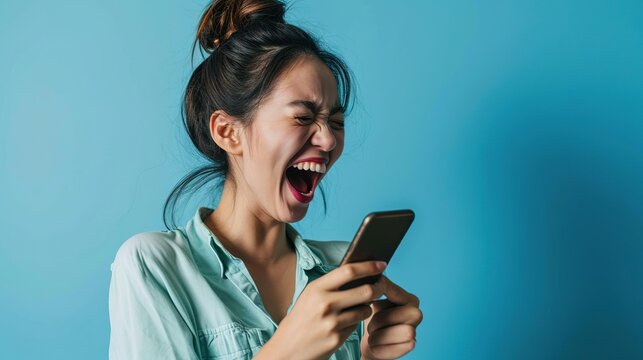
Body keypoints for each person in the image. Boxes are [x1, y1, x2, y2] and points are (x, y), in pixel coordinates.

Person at [108, 0, 423, 359]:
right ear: (228, 132)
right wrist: (288, 350)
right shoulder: (155, 266)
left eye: (336, 122)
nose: (329, 140)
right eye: (303, 118)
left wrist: (368, 357)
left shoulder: (341, 270)